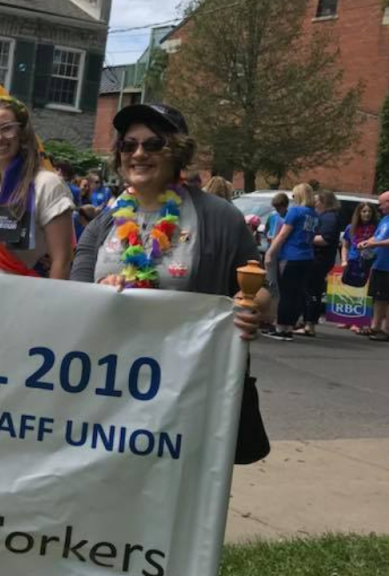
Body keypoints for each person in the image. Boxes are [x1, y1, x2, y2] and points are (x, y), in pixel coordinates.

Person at [72, 103, 270, 465]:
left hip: (185, 395)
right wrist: (101, 290)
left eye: (153, 144)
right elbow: (76, 298)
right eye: (128, 145)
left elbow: (260, 290)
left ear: (177, 150)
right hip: (109, 392)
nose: (138, 154)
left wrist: (251, 307)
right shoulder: (104, 221)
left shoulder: (219, 217)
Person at [0, 96, 74, 278]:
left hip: (20, 299)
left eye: (6, 128)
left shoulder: (46, 184)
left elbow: (62, 260)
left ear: (22, 132)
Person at [264, 183, 319, 341]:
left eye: (294, 196)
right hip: (307, 256)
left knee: (286, 293)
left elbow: (283, 234)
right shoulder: (313, 214)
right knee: (296, 294)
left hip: (291, 255)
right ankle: (289, 326)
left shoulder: (295, 211)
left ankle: (281, 328)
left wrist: (270, 252)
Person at [297, 189, 341, 336]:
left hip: (319, 260)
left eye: (316, 201)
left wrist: (305, 238)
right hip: (319, 259)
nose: (314, 203)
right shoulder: (324, 216)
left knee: (311, 290)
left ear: (324, 202)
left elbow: (324, 240)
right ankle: (306, 320)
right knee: (310, 289)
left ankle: (310, 324)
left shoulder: (329, 218)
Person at [340, 202, 379, 333]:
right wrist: (344, 260)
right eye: (364, 211)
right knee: (351, 291)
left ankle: (358, 322)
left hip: (369, 262)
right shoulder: (350, 227)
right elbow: (345, 245)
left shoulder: (376, 228)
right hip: (353, 260)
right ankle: (348, 320)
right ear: (359, 213)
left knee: (363, 293)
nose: (366, 214)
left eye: (369, 211)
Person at [357, 191, 389, 341]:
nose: (380, 207)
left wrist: (374, 243)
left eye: (382, 204)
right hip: (379, 264)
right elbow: (377, 236)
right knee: (379, 298)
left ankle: (386, 329)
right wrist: (367, 242)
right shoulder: (384, 220)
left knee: (387, 299)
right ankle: (375, 326)